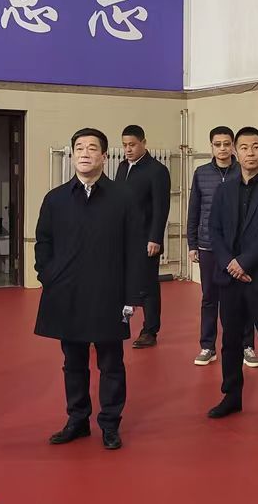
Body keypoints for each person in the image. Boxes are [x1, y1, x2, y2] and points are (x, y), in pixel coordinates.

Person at [35, 128, 144, 450]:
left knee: (111, 363)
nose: (85, 153)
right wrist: (48, 276)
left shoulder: (123, 197)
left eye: (92, 148)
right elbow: (44, 242)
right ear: (72, 156)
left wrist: (131, 296)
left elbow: (135, 249)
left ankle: (110, 423)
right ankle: (77, 420)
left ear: (104, 157)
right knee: (73, 362)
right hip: (67, 293)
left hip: (109, 294)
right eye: (79, 148)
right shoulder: (55, 199)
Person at [206, 127, 258, 428]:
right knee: (230, 341)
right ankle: (231, 396)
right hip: (229, 278)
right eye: (244, 147)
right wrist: (229, 264)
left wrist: (243, 263)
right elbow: (214, 230)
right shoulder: (224, 190)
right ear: (235, 152)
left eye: (255, 147)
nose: (250, 153)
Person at [187, 126, 258, 368]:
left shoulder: (242, 172)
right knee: (209, 298)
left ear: (233, 147)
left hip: (239, 249)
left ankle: (247, 345)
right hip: (208, 246)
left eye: (227, 144)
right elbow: (194, 210)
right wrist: (192, 243)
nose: (222, 149)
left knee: (244, 298)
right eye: (217, 144)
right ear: (211, 147)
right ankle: (207, 346)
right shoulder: (201, 173)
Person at [115, 125, 172, 348]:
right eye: (125, 145)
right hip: (122, 237)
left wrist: (155, 237)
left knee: (147, 285)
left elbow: (161, 207)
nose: (128, 149)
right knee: (120, 281)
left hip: (146, 239)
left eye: (132, 145)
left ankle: (150, 331)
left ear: (143, 143)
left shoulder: (157, 170)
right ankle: (117, 324)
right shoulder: (122, 167)